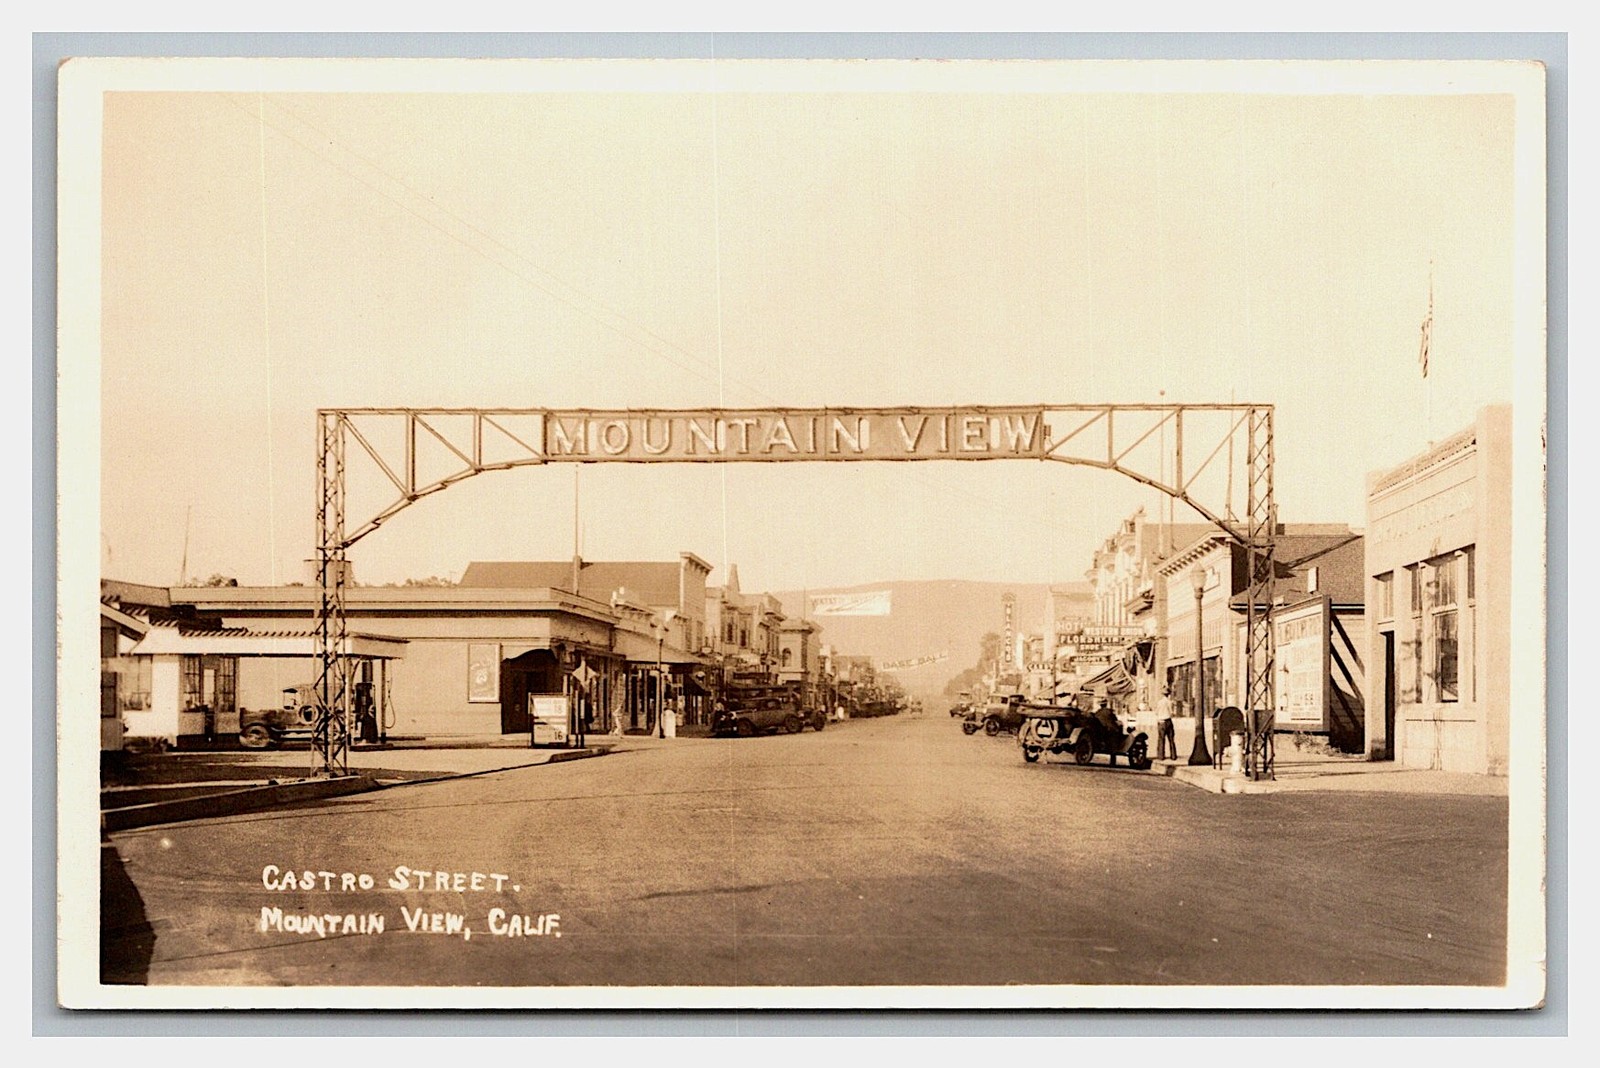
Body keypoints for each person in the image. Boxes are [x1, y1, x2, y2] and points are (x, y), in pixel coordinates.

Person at [1155, 687, 1177, 760]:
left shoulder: (1159, 702)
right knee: (1171, 739)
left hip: (1161, 722)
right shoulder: (1170, 702)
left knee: (1161, 739)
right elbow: (1172, 713)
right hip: (1168, 721)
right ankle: (1173, 756)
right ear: (1168, 694)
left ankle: (1161, 756)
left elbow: (1156, 712)